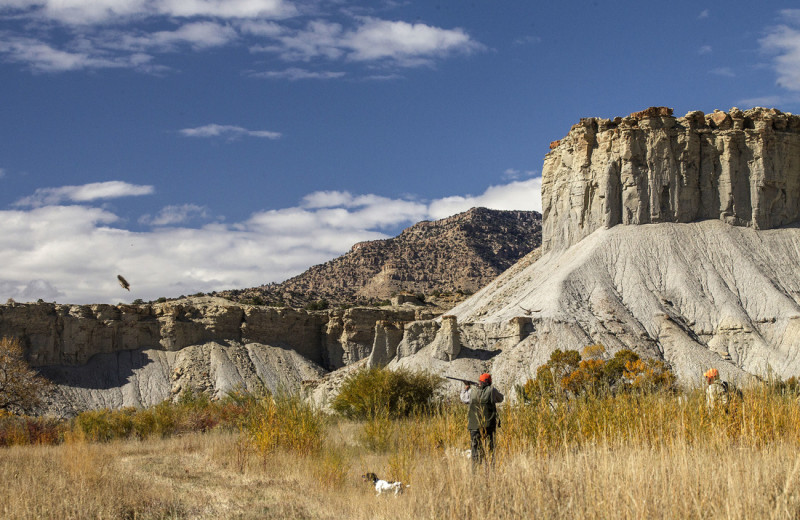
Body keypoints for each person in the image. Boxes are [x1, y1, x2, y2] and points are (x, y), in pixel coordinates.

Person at [460, 373, 504, 466]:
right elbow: (501, 398)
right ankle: (490, 470)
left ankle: (475, 471)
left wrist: (467, 387)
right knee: (490, 449)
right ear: (489, 382)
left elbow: (464, 399)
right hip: (489, 426)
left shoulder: (472, 391)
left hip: (474, 426)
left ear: (480, 381)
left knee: (475, 448)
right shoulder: (492, 390)